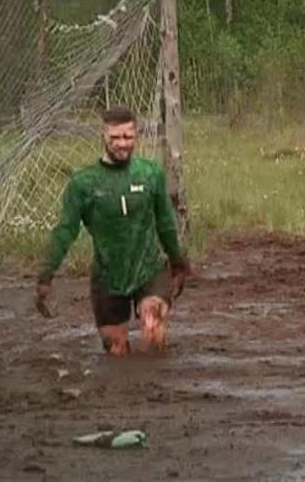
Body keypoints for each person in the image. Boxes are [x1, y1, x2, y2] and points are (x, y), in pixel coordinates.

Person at [35, 105, 190, 357]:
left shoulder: (150, 174)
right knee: (117, 351)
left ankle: (160, 390)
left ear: (136, 137)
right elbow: (65, 231)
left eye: (128, 137)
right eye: (115, 137)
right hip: (108, 277)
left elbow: (165, 222)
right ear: (103, 137)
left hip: (149, 269)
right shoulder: (83, 184)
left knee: (152, 325)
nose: (122, 144)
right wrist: (46, 275)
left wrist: (178, 262)